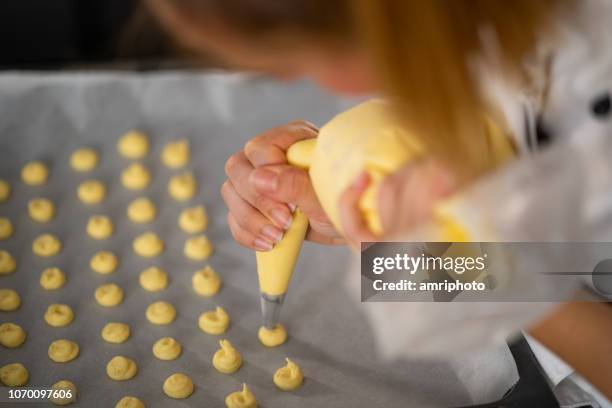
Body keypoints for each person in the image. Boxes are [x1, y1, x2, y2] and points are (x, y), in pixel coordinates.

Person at [146, 0, 612, 404]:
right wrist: (380, 163)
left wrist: (484, 281)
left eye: (293, 60)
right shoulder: (517, 40)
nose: (305, 80)